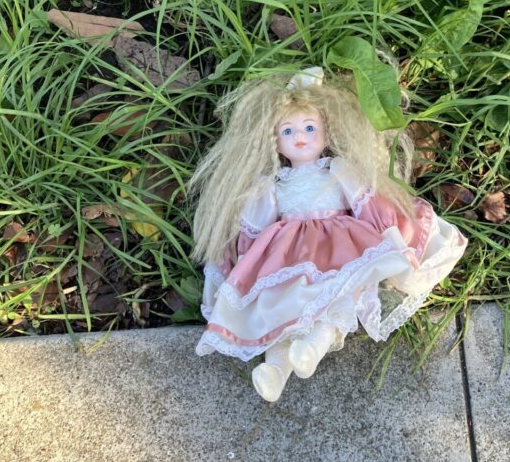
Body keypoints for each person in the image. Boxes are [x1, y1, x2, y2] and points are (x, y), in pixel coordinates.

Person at [190, 67, 467, 402]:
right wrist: (243, 258)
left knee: (337, 295)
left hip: (339, 242)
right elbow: (254, 225)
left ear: (326, 133)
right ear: (275, 142)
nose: (301, 136)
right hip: (284, 251)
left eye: (309, 128)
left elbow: (366, 203)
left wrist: (390, 232)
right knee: (280, 304)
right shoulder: (273, 186)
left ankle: (312, 347)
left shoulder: (338, 170)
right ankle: (275, 369)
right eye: (288, 130)